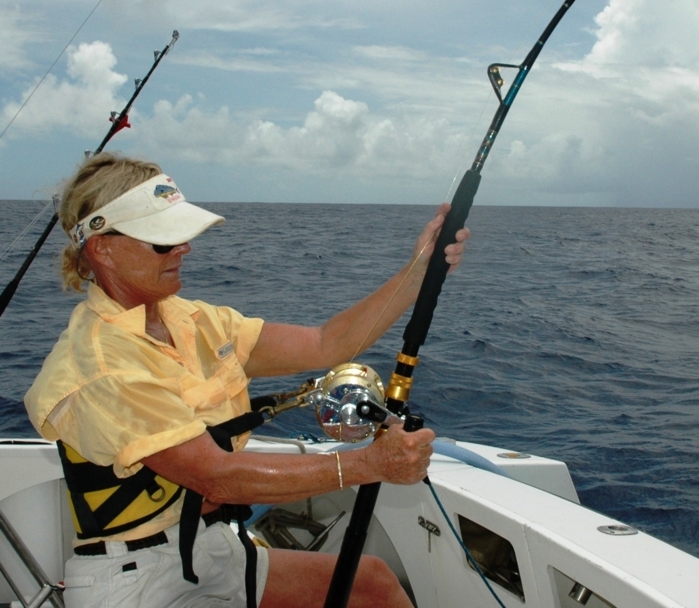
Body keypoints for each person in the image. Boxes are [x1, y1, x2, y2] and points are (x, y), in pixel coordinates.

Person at [24, 152, 470, 608]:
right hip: (134, 581)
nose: (184, 248)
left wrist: (416, 272)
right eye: (162, 241)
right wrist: (369, 465)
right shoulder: (99, 363)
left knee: (371, 584)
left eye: (182, 233)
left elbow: (324, 344)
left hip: (209, 548)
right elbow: (217, 479)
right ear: (102, 249)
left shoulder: (193, 320)